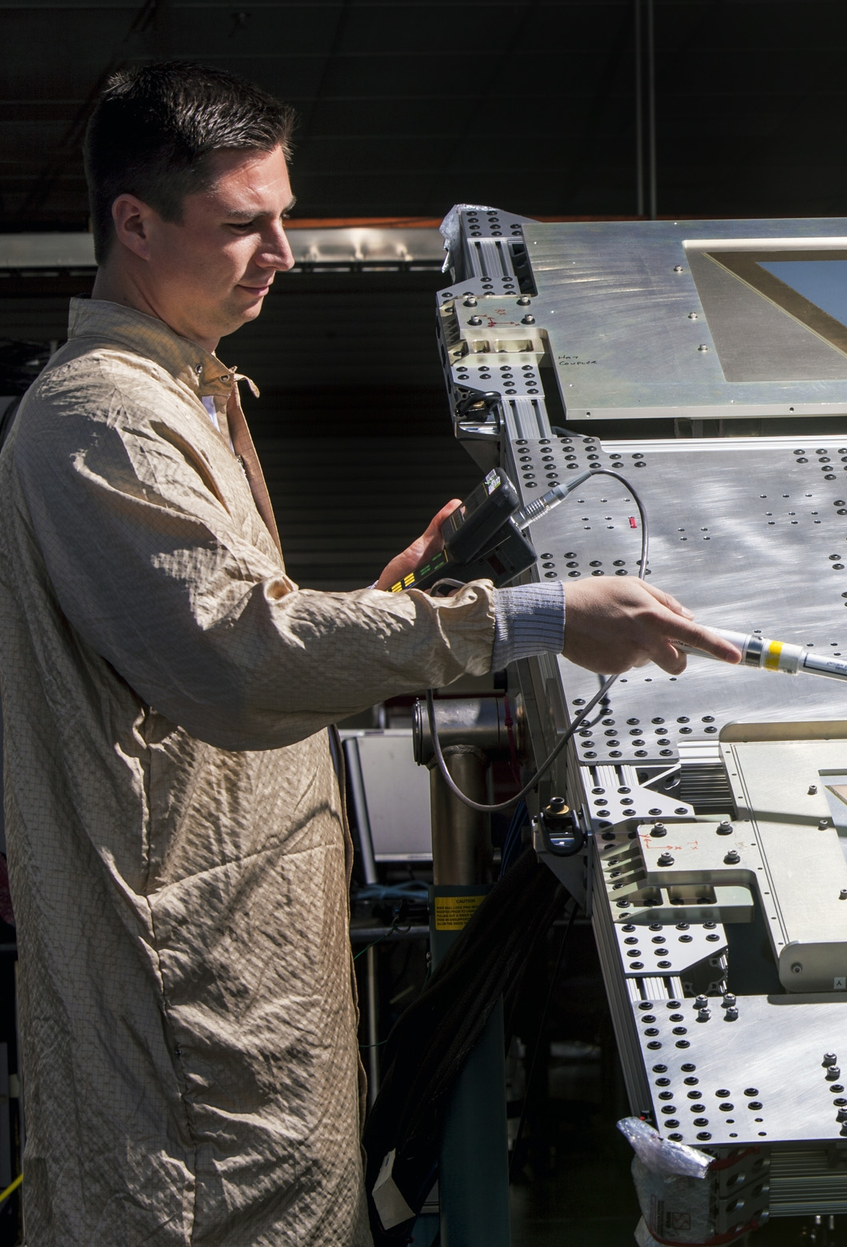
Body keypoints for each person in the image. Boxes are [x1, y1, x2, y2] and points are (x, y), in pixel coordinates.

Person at [0, 63, 737, 1245]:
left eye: (285, 216)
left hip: (241, 986)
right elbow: (237, 661)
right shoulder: (105, 416)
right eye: (244, 225)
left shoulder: (187, 394)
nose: (282, 254)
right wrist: (526, 618)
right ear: (134, 223)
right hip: (186, 1028)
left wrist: (391, 604)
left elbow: (212, 645)